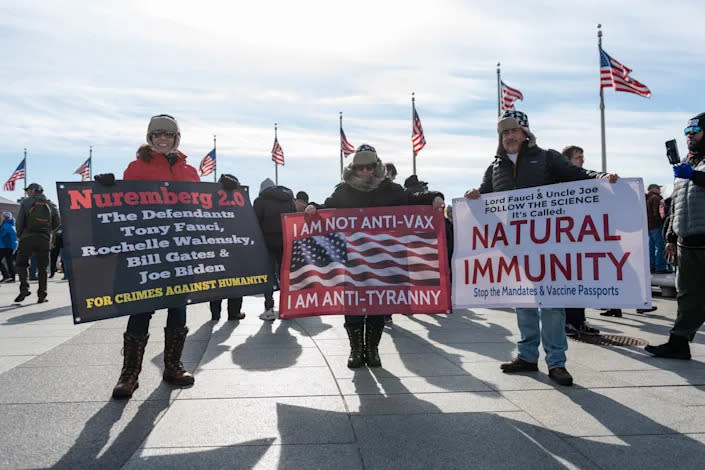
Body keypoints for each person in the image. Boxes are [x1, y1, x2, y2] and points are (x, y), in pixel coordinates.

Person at [464, 110, 618, 386]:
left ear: (526, 133)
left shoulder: (547, 157)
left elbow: (578, 175)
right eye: (505, 132)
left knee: (552, 304)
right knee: (522, 302)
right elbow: (484, 200)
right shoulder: (494, 167)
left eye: (514, 131)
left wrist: (602, 178)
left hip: (548, 247)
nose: (510, 136)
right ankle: (526, 356)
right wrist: (473, 196)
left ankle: (557, 362)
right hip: (514, 246)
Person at [94, 114, 217, 399]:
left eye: (169, 135)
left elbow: (201, 208)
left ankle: (173, 366)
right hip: (147, 251)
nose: (163, 139)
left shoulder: (189, 171)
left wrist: (225, 192)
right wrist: (108, 189)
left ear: (176, 138)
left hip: (179, 251)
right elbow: (123, 207)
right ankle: (129, 375)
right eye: (157, 134)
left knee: (178, 307)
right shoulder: (137, 167)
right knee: (141, 309)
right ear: (149, 137)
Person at [305, 144, 444, 369]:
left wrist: (434, 197)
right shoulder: (343, 191)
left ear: (377, 167)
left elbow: (414, 198)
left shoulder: (392, 190)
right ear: (353, 169)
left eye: (370, 167)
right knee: (353, 305)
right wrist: (313, 207)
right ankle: (356, 350)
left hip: (383, 260)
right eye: (361, 168)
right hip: (352, 260)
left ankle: (372, 349)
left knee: (379, 304)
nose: (366, 172)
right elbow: (326, 208)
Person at [646, 112, 705, 360]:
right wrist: (670, 236)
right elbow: (676, 204)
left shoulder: (692, 170)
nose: (689, 136)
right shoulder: (686, 163)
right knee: (688, 296)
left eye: (695, 131)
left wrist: (694, 176)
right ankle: (679, 342)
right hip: (688, 242)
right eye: (687, 132)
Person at [560, 146, 600, 336]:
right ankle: (568, 322)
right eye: (578, 158)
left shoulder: (585, 181)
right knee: (568, 283)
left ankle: (579, 321)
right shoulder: (558, 183)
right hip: (564, 242)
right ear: (567, 161)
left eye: (583, 157)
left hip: (580, 240)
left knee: (580, 283)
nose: (582, 161)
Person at [253, 177, 296, 320]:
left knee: (268, 276)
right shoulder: (289, 199)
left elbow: (255, 223)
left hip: (267, 243)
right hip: (286, 243)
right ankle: (287, 308)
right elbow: (295, 220)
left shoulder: (260, 202)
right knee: (285, 276)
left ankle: (269, 308)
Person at [13, 183, 60, 303]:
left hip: (27, 237)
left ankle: (24, 289)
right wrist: (48, 231)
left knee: (21, 264)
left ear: (34, 190)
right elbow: (57, 222)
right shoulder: (51, 204)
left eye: (28, 190)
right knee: (43, 268)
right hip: (44, 239)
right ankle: (42, 295)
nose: (27, 192)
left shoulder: (26, 203)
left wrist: (19, 235)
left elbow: (19, 221)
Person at [646, 184, 669, 273]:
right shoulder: (656, 198)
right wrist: (662, 223)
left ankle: (652, 266)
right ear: (653, 189)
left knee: (651, 247)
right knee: (660, 246)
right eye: (658, 188)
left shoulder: (646, 199)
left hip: (649, 227)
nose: (660, 190)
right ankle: (660, 267)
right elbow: (659, 213)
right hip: (656, 226)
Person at [0, 211, 18, 282]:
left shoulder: (6, 225)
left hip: (5, 246)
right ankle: (11, 277)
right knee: (9, 262)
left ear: (5, 217)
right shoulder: (10, 225)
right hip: (10, 246)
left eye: (2, 216)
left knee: (9, 262)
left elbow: (2, 235)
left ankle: (6, 275)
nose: (1, 217)